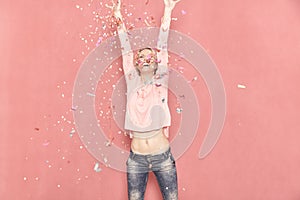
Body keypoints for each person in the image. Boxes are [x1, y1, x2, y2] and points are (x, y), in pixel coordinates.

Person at [107, 0, 181, 199]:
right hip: (136, 159)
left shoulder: (161, 81)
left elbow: (163, 47)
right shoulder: (132, 81)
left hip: (162, 157)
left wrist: (167, 10)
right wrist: (118, 17)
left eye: (150, 57)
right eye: (141, 57)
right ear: (136, 64)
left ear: (156, 64)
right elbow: (125, 47)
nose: (146, 60)